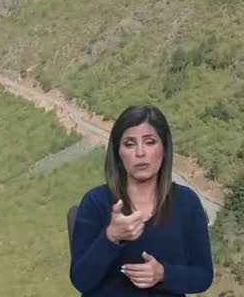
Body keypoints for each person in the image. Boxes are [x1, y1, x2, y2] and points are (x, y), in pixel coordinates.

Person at [70, 104, 213, 296]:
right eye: (130, 144)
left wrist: (164, 274)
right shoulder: (96, 202)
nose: (140, 153)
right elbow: (81, 280)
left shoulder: (186, 202)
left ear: (164, 148)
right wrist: (110, 238)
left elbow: (203, 276)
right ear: (118, 154)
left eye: (149, 142)